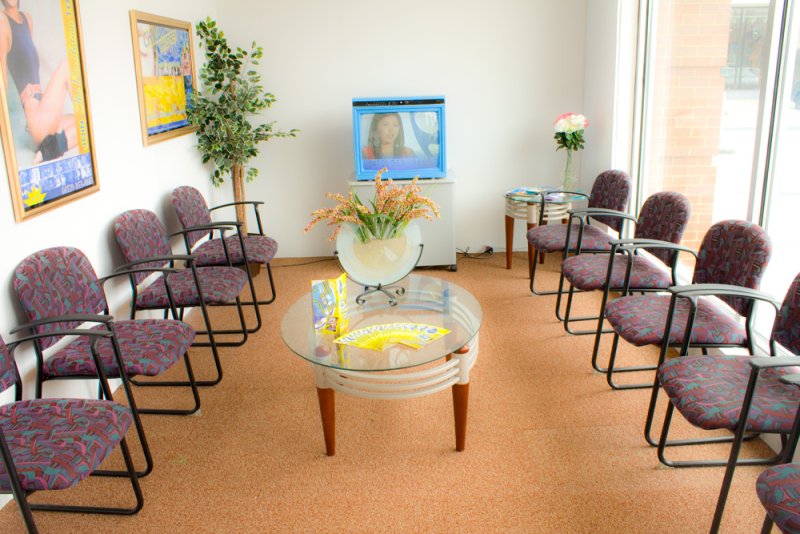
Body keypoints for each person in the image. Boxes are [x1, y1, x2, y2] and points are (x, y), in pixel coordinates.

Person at [0, 0, 78, 163]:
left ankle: (48, 150)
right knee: (66, 65)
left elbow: (29, 67)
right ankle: (47, 145)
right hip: (34, 115)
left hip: (44, 112)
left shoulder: (27, 19)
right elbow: (3, 79)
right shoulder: (2, 22)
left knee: (84, 122)